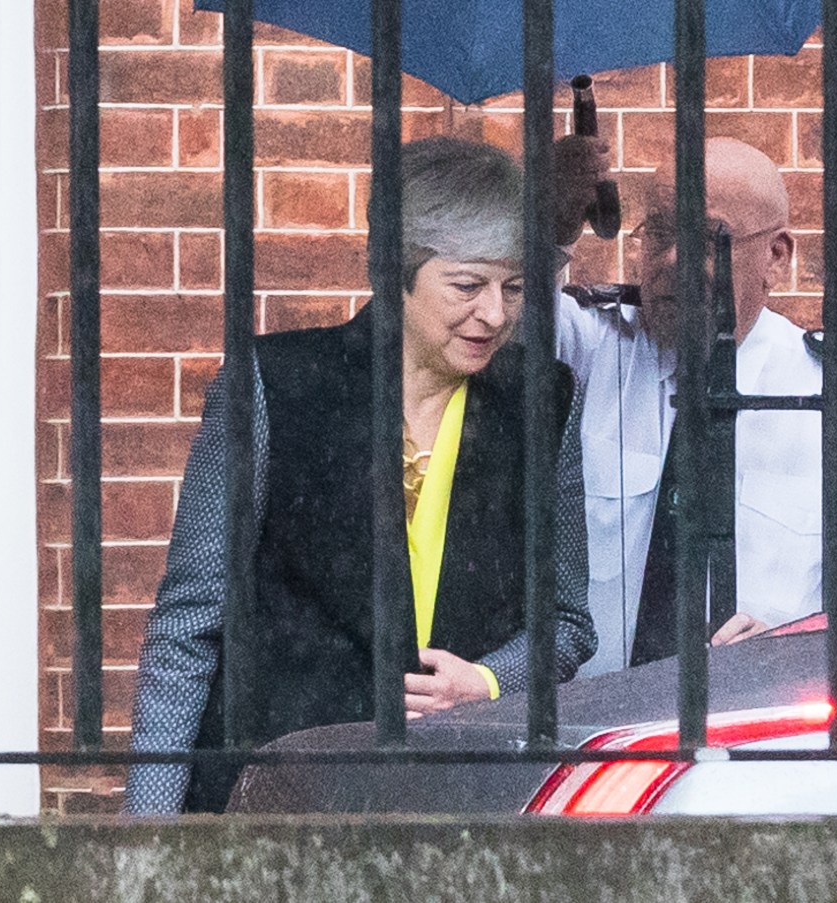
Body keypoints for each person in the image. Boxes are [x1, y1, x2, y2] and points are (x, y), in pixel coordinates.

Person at [125, 137, 597, 814]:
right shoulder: (273, 383)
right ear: (394, 270)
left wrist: (490, 681)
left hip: (466, 808)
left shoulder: (544, 401)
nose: (495, 313)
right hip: (276, 803)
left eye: (514, 287)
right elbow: (190, 626)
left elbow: (568, 622)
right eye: (468, 285)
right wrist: (147, 840)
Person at [555, 135, 837, 676]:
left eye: (710, 239)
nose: (672, 259)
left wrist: (796, 650)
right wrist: (550, 226)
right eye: (658, 232)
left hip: (762, 729)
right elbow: (498, 320)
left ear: (776, 257)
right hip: (584, 728)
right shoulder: (591, 350)